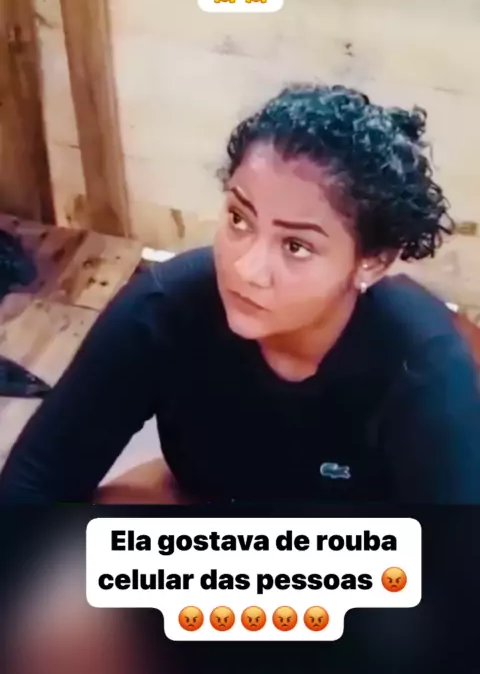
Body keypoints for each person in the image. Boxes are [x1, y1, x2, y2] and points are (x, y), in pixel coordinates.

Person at [0, 84, 479, 505]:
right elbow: (34, 484)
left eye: (296, 246)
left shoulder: (423, 367)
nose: (245, 269)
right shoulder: (164, 309)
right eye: (239, 219)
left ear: (371, 261)